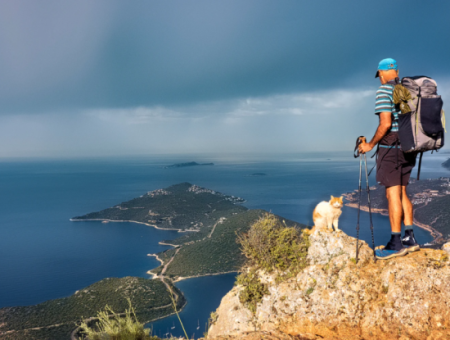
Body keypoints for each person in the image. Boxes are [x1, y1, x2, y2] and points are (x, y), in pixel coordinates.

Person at [359, 58, 420, 260]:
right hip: (409, 147)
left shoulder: (384, 91)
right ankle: (409, 238)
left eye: (380, 75)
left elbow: (385, 124)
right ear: (398, 71)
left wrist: (370, 145)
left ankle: (395, 243)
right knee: (402, 191)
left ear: (384, 73)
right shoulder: (409, 90)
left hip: (391, 149)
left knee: (392, 194)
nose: (380, 79)